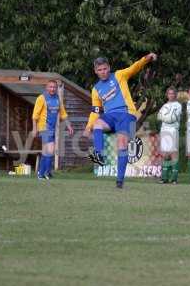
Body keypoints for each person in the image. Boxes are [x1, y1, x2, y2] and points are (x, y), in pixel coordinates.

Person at [84, 53, 157, 188]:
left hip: (126, 114)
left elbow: (135, 67)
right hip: (110, 116)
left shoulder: (119, 75)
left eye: (105, 69)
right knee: (97, 125)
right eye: (99, 70)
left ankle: (119, 181)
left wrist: (147, 58)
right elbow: (95, 111)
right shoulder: (95, 89)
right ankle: (99, 155)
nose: (103, 72)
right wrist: (89, 127)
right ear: (95, 71)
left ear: (109, 68)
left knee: (122, 144)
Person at [32, 80, 73, 180]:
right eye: (50, 87)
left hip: (52, 128)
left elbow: (63, 114)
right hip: (44, 127)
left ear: (56, 88)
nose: (52, 89)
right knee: (50, 150)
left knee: (47, 151)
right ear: (46, 87)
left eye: (54, 87)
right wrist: (34, 129)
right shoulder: (41, 98)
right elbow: (35, 116)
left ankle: (43, 173)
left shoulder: (58, 99)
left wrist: (69, 126)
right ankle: (44, 173)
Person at [157, 87, 182, 184]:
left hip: (173, 130)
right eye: (169, 93)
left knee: (173, 153)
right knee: (164, 154)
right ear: (167, 95)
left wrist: (165, 117)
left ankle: (174, 178)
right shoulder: (164, 106)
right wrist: (166, 117)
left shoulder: (178, 105)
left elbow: (173, 118)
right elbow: (159, 116)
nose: (171, 95)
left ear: (175, 95)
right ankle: (164, 178)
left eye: (172, 93)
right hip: (164, 130)